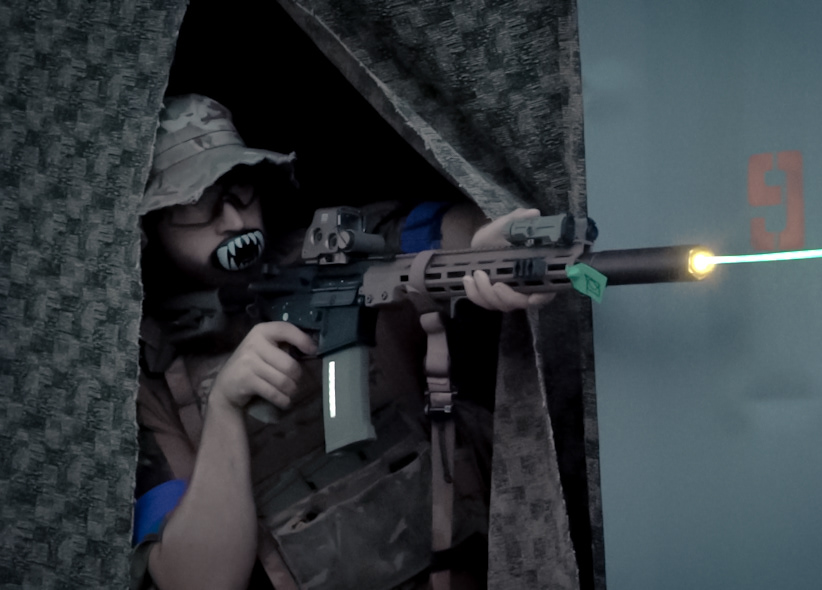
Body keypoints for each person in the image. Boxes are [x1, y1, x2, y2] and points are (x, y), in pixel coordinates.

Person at [132, 94, 550, 590]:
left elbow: (440, 234)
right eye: (192, 205)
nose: (233, 221)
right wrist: (224, 409)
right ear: (149, 229)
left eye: (238, 189)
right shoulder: (148, 373)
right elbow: (197, 581)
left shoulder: (332, 250)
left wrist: (486, 248)